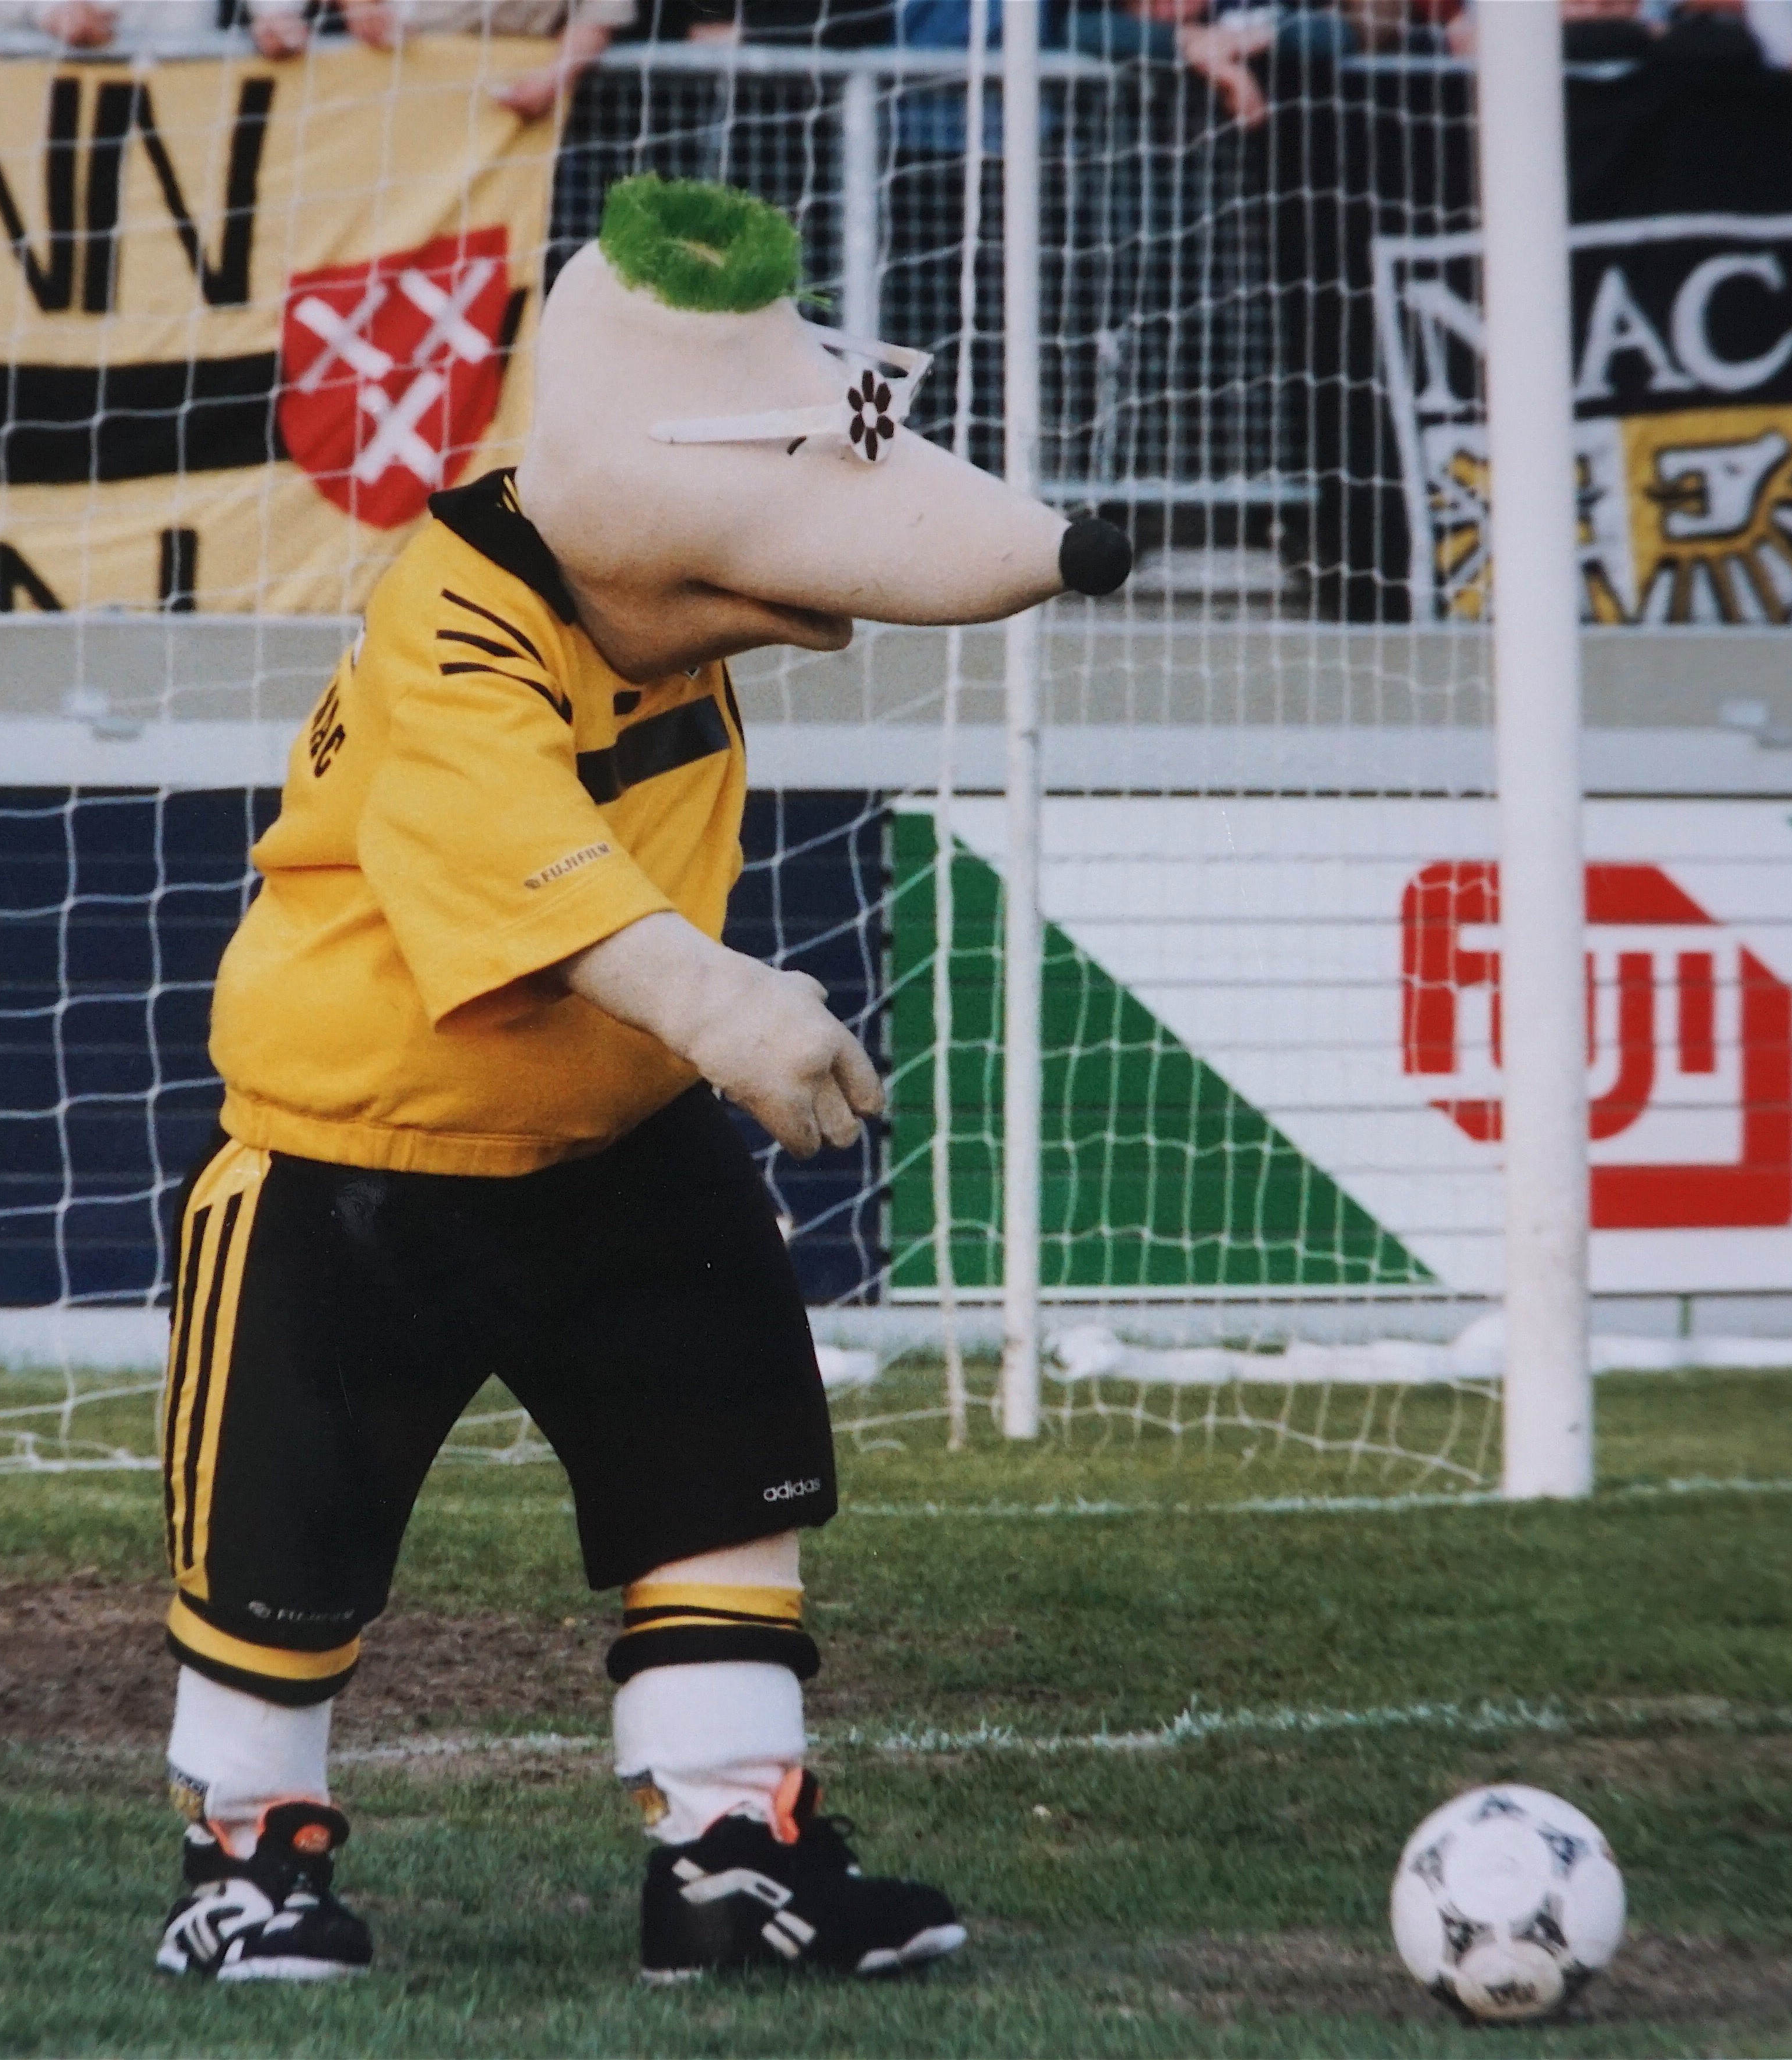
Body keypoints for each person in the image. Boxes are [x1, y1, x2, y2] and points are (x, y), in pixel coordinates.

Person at [146, 174, 1130, 1983]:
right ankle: (247, 1856)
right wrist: (735, 1012)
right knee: (280, 1528)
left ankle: (728, 1850)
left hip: (615, 1127)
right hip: (359, 1146)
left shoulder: (663, 590)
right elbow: (546, 879)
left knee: (724, 1468)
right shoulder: (456, 614)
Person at [247, 0, 637, 116]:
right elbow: (277, 22)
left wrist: (554, 78)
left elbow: (599, 17)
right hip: (386, 100)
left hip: (517, 114)